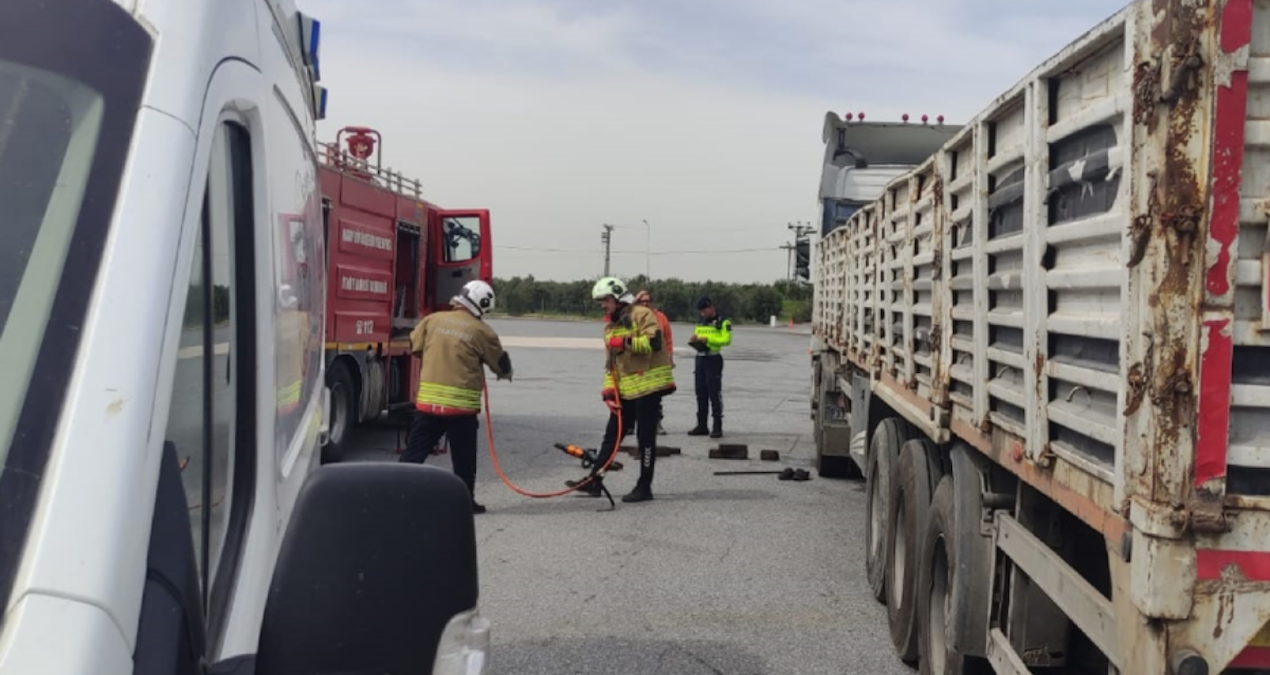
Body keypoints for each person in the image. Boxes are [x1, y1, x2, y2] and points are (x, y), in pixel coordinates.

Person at [400, 279, 513, 514]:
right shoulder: (482, 331)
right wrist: (506, 373)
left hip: (428, 406)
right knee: (464, 460)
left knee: (414, 453)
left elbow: (415, 347)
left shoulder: (432, 320)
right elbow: (501, 365)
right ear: (482, 304)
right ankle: (465, 503)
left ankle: (394, 494)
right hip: (460, 410)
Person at [569, 277, 675, 503]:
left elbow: (654, 343)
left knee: (645, 438)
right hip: (626, 390)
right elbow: (611, 365)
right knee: (612, 436)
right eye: (600, 302)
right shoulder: (610, 328)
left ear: (618, 298)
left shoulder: (642, 315)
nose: (602, 305)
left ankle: (644, 487)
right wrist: (608, 392)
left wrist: (625, 342)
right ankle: (595, 481)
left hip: (648, 387)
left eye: (605, 300)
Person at [687, 296, 731, 438]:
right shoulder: (700, 322)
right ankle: (702, 424)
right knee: (700, 393)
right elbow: (698, 334)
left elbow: (726, 340)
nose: (702, 314)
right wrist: (694, 339)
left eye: (704, 311)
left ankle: (717, 425)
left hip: (713, 358)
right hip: (700, 357)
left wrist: (709, 339)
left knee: (714, 393)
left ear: (712, 308)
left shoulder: (723, 322)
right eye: (701, 311)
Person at [635, 289, 672, 435]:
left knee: (656, 395)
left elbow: (668, 339)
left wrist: (670, 357)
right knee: (637, 393)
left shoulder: (661, 317)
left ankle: (656, 423)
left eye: (647, 301)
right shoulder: (634, 316)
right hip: (639, 361)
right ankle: (633, 424)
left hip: (657, 361)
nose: (645, 304)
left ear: (652, 302)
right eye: (642, 301)